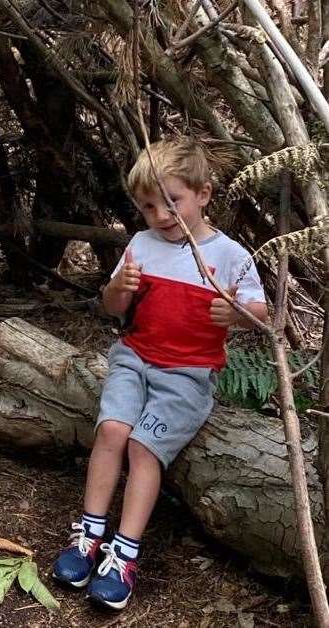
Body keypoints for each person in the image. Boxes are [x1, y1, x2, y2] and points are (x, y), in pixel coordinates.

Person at [52, 138, 268, 610]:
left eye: (174, 202)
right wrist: (118, 288)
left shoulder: (230, 255)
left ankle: (124, 552)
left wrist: (234, 313)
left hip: (188, 373)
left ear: (204, 195)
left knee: (142, 446)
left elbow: (263, 315)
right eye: (150, 207)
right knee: (111, 429)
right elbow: (112, 309)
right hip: (134, 356)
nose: (162, 216)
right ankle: (89, 533)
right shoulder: (141, 244)